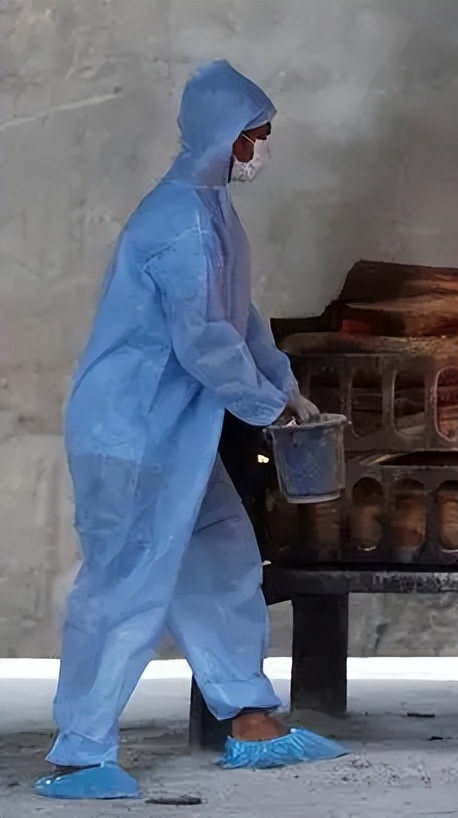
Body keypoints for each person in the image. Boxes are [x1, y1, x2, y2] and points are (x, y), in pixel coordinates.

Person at [35, 60, 347, 801]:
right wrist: (267, 408)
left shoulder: (212, 212)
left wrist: (285, 388)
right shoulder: (178, 223)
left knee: (221, 560)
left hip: (178, 437)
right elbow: (205, 342)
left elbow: (241, 318)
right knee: (122, 587)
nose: (262, 149)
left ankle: (250, 718)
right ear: (223, 136)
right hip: (132, 435)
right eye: (255, 135)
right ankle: (81, 753)